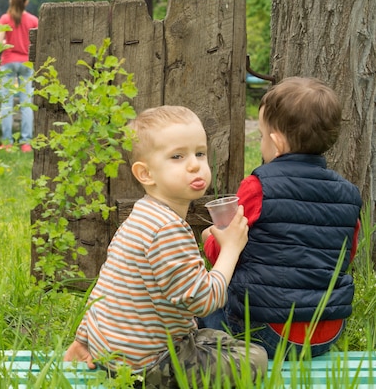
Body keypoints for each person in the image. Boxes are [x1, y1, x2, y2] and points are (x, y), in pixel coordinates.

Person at [64, 106, 268, 387]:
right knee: (256, 357)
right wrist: (231, 249)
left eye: (200, 153)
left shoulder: (142, 215)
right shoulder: (167, 229)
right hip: (148, 365)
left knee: (213, 338)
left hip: (113, 353)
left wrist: (83, 338)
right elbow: (203, 300)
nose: (195, 164)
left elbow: (106, 287)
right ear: (145, 173)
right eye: (177, 156)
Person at [200, 77, 363, 359]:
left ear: (275, 143)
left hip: (269, 334)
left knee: (208, 292)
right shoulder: (349, 194)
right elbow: (347, 254)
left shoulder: (258, 186)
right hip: (327, 333)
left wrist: (210, 241)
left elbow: (230, 252)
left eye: (262, 136)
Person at [0, 0, 39, 153]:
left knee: (6, 103)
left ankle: (7, 142)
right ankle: (26, 142)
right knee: (26, 103)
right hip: (27, 63)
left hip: (7, 62)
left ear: (10, 1)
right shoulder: (34, 20)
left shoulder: (4, 19)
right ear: (26, 2)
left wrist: (7, 44)